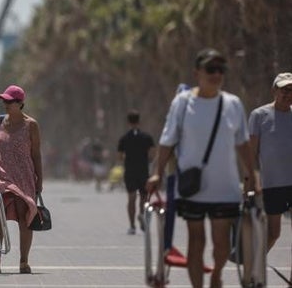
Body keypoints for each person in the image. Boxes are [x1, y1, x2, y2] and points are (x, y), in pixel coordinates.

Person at [146, 48, 259, 288]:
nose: (216, 74)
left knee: (221, 244)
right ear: (197, 72)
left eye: (221, 70)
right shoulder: (183, 103)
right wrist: (157, 172)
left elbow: (242, 143)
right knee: (196, 240)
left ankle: (217, 273)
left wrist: (253, 172)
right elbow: (167, 140)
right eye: (211, 69)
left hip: (225, 187)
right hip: (192, 187)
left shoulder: (233, 104)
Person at [0, 85, 42, 275]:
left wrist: (39, 180)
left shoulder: (31, 125)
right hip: (1, 177)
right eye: (4, 100)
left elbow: (36, 154)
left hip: (24, 177)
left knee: (23, 217)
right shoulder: (0, 121)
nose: (5, 104)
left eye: (9, 101)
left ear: (20, 103)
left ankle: (24, 261)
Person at [248, 72, 292, 284]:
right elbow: (251, 152)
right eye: (284, 89)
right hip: (271, 184)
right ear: (274, 90)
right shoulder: (259, 115)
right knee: (273, 233)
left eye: (291, 90)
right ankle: (254, 267)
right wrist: (250, 181)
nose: (288, 94)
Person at [117, 109, 155, 235]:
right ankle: (141, 214)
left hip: (130, 171)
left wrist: (129, 159)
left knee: (131, 198)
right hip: (143, 171)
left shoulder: (124, 139)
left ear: (128, 122)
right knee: (144, 198)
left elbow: (120, 156)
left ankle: (132, 226)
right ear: (139, 121)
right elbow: (152, 154)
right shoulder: (147, 137)